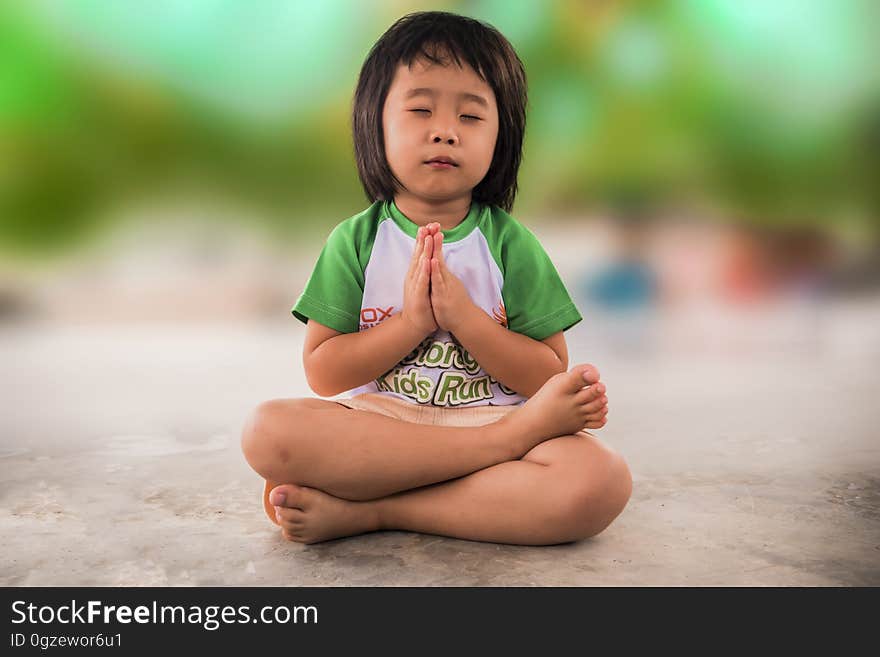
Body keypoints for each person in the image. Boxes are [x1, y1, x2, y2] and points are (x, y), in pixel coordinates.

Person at [241, 11, 631, 545]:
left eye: (471, 118)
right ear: (376, 123)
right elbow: (324, 374)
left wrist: (465, 320)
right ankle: (477, 466)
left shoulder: (511, 245)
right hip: (383, 427)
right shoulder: (354, 241)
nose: (444, 130)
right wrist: (412, 323)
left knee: (600, 482)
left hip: (492, 420)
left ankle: (374, 512)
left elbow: (546, 376)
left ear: (502, 137)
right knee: (268, 433)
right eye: (420, 109)